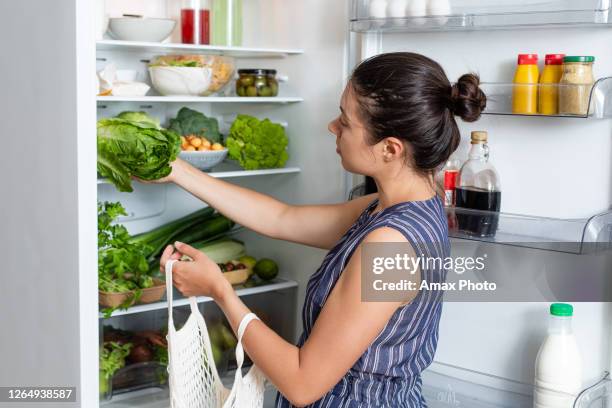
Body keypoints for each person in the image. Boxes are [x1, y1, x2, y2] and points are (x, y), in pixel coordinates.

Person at [156, 52, 486, 407]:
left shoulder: (392, 245)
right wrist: (177, 170)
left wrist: (220, 291)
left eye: (345, 121)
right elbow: (281, 218)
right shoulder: (402, 204)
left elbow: (302, 383)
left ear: (390, 148)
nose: (332, 127)